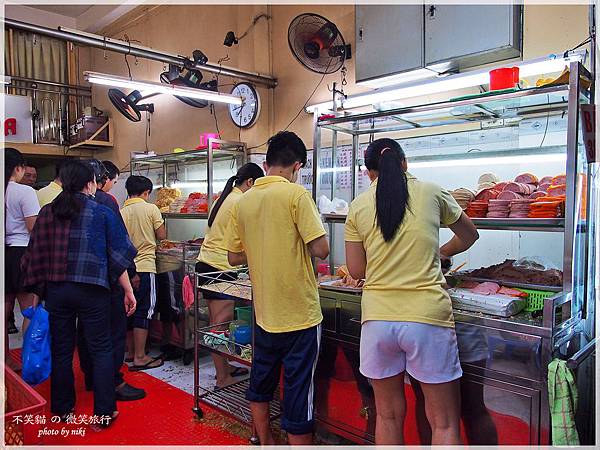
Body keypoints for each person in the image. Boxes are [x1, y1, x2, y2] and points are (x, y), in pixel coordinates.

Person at [343, 138, 479, 445]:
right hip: (427, 318)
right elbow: (470, 235)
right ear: (405, 163)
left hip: (377, 321)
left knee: (388, 416)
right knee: (443, 423)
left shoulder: (358, 205)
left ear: (369, 172)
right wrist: (439, 253)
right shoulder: (432, 191)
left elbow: (356, 271)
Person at [226, 132, 329, 445]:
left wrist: (263, 245)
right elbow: (321, 249)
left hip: (264, 313)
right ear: (297, 166)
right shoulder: (296, 196)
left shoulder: (243, 202)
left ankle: (266, 441)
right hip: (300, 314)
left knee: (261, 380)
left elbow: (233, 257)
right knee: (298, 391)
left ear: (266, 162)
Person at [21, 161, 137, 427]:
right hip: (93, 291)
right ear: (89, 183)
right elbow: (117, 257)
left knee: (61, 349)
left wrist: (38, 292)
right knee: (101, 349)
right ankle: (104, 413)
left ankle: (62, 410)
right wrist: (128, 291)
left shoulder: (48, 213)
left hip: (57, 291)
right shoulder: (101, 213)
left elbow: (34, 255)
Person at [77, 160, 146, 401]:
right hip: (107, 279)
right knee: (112, 333)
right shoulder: (106, 202)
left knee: (86, 332)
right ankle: (113, 384)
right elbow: (119, 245)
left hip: (77, 282)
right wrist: (131, 274)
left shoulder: (62, 204)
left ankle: (91, 378)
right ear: (97, 180)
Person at [196, 163, 264, 388]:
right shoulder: (240, 201)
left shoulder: (223, 198)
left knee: (218, 323)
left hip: (206, 265)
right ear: (250, 182)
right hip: (220, 268)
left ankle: (223, 368)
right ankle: (222, 377)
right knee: (220, 325)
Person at [120, 175, 167, 371]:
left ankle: (131, 353)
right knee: (144, 310)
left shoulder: (121, 212)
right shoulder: (151, 208)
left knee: (129, 310)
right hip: (146, 266)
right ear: (146, 192)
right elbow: (162, 236)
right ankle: (140, 356)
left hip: (126, 271)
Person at [4, 148, 40, 369]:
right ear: (18, 167)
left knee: (3, 310)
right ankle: (28, 360)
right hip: (21, 252)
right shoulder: (24, 192)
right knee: (29, 310)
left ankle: (4, 361)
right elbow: (33, 229)